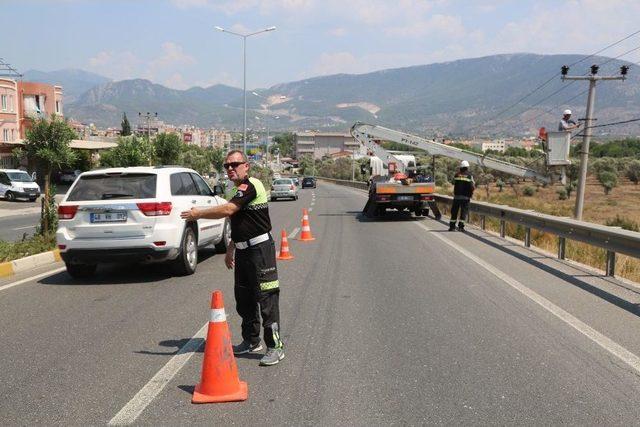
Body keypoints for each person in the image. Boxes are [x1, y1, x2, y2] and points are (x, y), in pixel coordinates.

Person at [180, 150, 284, 366]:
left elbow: (228, 210)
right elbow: (239, 223)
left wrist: (198, 213)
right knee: (244, 299)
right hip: (244, 251)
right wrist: (230, 248)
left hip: (260, 250)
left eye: (235, 164)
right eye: (226, 165)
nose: (230, 169)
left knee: (266, 299)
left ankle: (275, 346)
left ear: (246, 166)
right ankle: (251, 340)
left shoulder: (251, 185)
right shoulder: (235, 189)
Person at [449, 160, 475, 232]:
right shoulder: (469, 176)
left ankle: (452, 227)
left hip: (457, 197)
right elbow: (472, 186)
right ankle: (461, 227)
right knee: (463, 212)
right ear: (467, 167)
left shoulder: (456, 174)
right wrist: (471, 193)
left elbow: (453, 182)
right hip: (466, 197)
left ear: (461, 167)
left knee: (454, 212)